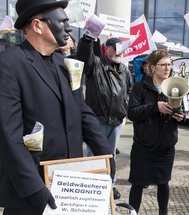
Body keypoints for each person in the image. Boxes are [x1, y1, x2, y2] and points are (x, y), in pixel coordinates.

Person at [0, 0, 112, 214]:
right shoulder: (9, 64)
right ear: (37, 25)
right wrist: (34, 189)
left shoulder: (64, 63)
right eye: (62, 21)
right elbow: (8, 136)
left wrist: (105, 155)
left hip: (69, 187)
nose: (68, 28)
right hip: (31, 193)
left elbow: (83, 112)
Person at [127, 50, 185, 215]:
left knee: (163, 183)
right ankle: (133, 213)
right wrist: (155, 107)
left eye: (169, 64)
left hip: (165, 147)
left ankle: (163, 213)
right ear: (152, 67)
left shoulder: (175, 86)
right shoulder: (139, 88)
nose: (168, 68)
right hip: (143, 146)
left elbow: (182, 111)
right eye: (163, 64)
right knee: (138, 183)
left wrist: (181, 117)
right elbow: (132, 113)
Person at [77, 33, 133, 200]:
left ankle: (109, 184)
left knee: (110, 155)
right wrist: (87, 39)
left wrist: (124, 109)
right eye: (114, 49)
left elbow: (128, 91)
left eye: (120, 50)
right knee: (93, 154)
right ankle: (87, 185)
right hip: (98, 120)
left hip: (116, 121)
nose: (118, 52)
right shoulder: (96, 64)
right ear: (107, 49)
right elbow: (83, 57)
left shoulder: (124, 70)